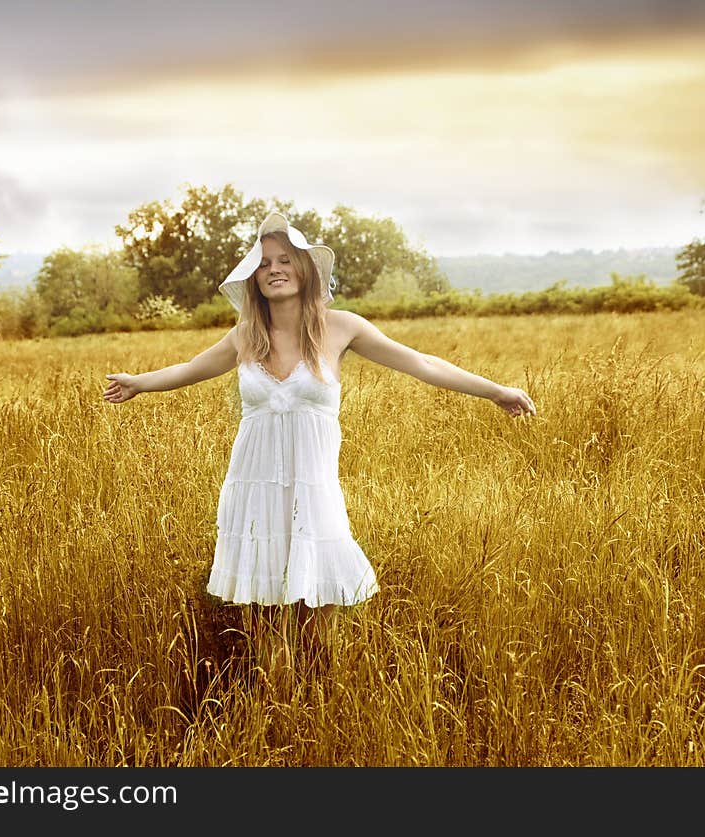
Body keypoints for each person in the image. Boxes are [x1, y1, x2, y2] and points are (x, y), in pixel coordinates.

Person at [103, 211, 536, 678]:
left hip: (313, 488)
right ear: (254, 277)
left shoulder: (342, 327)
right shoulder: (245, 336)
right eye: (264, 262)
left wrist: (496, 390)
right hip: (255, 489)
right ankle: (277, 702)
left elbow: (421, 362)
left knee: (321, 618)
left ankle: (322, 698)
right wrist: (139, 383)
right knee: (267, 621)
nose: (274, 269)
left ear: (306, 268)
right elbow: (191, 368)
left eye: (285, 259)